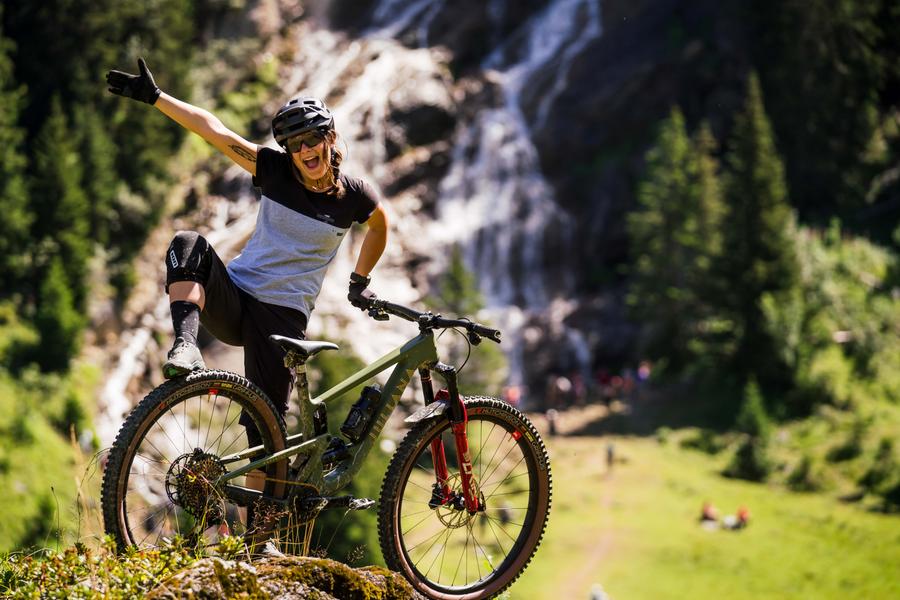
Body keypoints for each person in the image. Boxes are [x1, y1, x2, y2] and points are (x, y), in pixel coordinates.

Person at [105, 59, 389, 535]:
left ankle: (259, 541)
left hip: (282, 320)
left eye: (312, 139)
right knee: (188, 244)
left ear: (330, 138)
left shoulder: (353, 195)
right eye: (294, 144)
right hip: (236, 297)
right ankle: (186, 345)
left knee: (266, 433)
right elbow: (213, 132)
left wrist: (360, 279)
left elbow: (380, 224)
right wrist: (157, 98)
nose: (304, 150)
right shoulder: (274, 170)